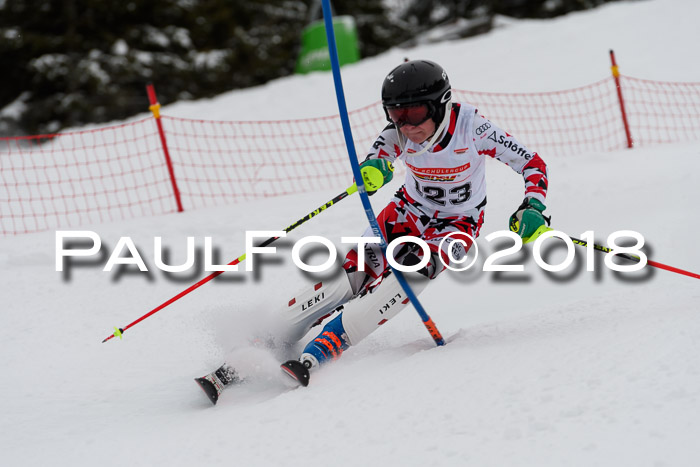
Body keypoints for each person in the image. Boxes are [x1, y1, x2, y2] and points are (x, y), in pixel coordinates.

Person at [195, 59, 550, 403]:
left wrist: (533, 207)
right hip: (407, 211)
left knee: (412, 269)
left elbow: (532, 164)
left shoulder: (473, 127)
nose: (406, 125)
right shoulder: (398, 132)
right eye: (396, 114)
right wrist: (373, 170)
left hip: (456, 225)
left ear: (440, 105)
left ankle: (324, 347)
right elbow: (378, 157)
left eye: (414, 114)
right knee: (353, 271)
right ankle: (264, 341)